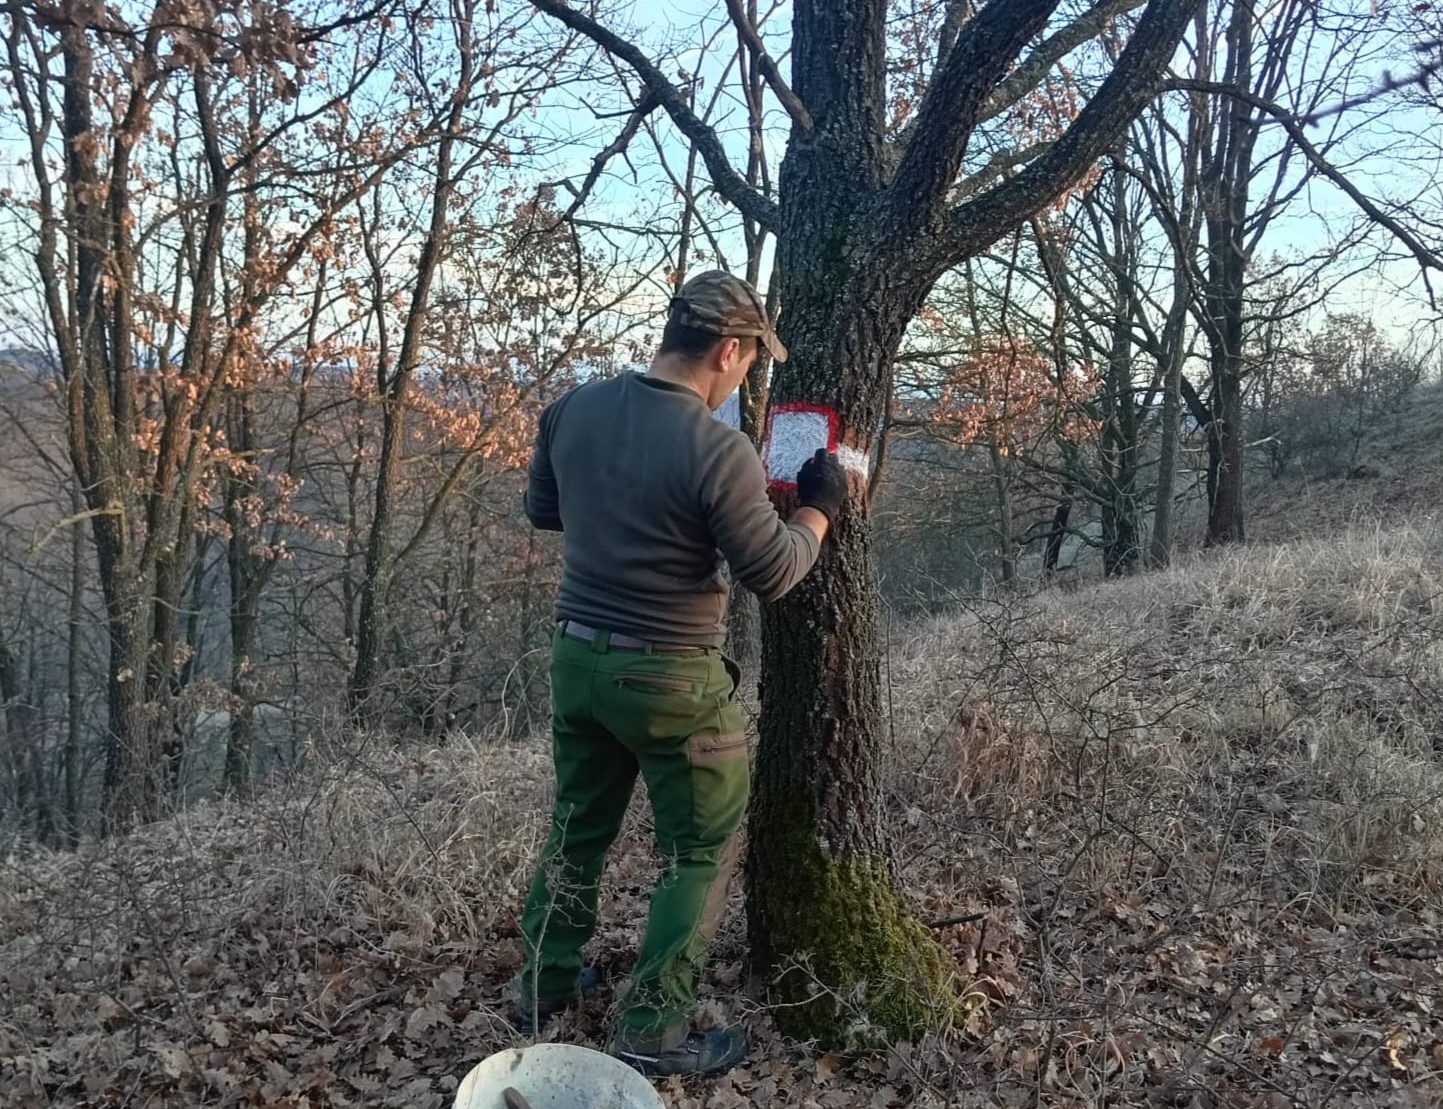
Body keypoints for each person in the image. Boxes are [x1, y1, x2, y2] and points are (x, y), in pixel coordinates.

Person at [514, 270, 847, 1077]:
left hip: (577, 657)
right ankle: (653, 1027)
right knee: (697, 848)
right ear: (728, 351)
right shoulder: (715, 447)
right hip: (668, 676)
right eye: (747, 363)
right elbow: (773, 571)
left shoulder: (572, 408)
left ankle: (541, 984)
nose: (743, 376)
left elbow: (544, 511)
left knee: (577, 825)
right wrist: (819, 508)